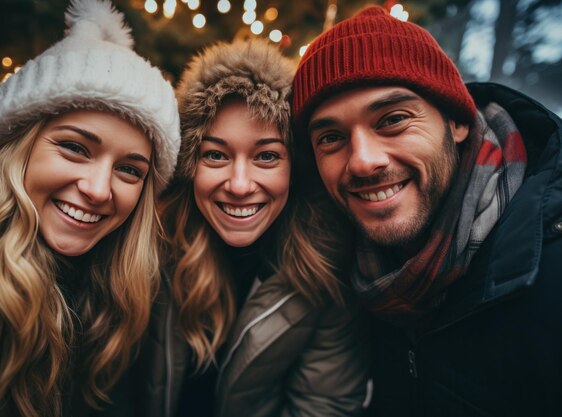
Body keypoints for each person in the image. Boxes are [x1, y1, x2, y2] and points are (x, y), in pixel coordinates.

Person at [291, 5, 562, 417]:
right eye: (331, 137)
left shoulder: (550, 269)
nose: (363, 161)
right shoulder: (342, 269)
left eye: (393, 119)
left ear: (456, 121)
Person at [0, 1, 180, 416]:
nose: (99, 190)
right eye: (74, 148)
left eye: (129, 169)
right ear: (19, 143)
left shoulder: (118, 286)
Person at [127, 39, 369, 417]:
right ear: (188, 166)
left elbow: (323, 406)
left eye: (267, 156)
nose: (239, 184)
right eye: (216, 155)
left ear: (296, 168)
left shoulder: (325, 272)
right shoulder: (146, 251)